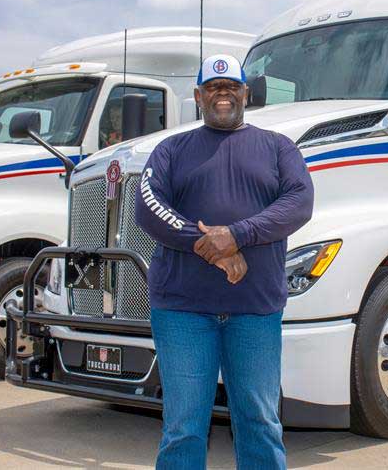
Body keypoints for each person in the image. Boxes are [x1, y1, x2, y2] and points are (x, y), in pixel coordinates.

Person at [134, 54, 314, 469]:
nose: (223, 94)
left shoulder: (278, 148)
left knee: (260, 422)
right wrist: (212, 246)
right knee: (183, 427)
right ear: (198, 96)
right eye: (213, 88)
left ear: (245, 93)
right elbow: (147, 207)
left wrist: (237, 236)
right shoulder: (170, 149)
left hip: (254, 309)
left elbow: (299, 202)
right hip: (182, 310)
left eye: (231, 86)